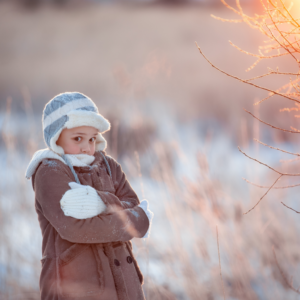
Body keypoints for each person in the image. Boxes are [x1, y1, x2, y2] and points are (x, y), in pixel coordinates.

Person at [25, 92, 154, 300]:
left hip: (126, 288)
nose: (87, 147)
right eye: (78, 138)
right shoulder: (49, 171)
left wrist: (100, 204)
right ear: (56, 137)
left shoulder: (109, 166)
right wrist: (123, 215)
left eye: (92, 138)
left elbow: (140, 221)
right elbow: (74, 228)